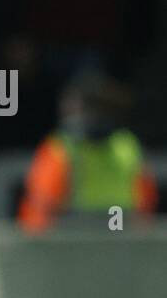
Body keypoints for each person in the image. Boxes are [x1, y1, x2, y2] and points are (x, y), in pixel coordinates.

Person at [18, 70, 157, 231]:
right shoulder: (128, 145)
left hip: (79, 247)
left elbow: (38, 211)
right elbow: (146, 205)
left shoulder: (60, 148)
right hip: (118, 243)